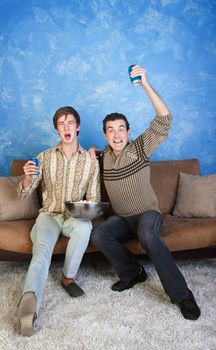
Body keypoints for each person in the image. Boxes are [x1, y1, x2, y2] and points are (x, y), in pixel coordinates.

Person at [91, 65, 201, 321]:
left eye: (121, 129)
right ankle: (133, 273)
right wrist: (92, 151)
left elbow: (165, 120)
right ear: (105, 135)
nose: (116, 134)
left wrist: (145, 84)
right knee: (100, 234)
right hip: (122, 219)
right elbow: (87, 156)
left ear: (128, 132)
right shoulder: (104, 155)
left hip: (147, 215)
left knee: (148, 237)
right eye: (111, 130)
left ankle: (182, 295)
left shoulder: (139, 148)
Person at [17, 106, 101, 336]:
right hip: (49, 216)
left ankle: (68, 277)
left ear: (78, 126)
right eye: (62, 123)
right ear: (57, 129)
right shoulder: (43, 157)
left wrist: (85, 209)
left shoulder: (91, 161)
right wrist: (26, 177)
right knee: (41, 254)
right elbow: (24, 193)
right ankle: (29, 303)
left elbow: (94, 198)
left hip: (74, 217)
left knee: (85, 226)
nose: (66, 126)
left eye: (71, 122)